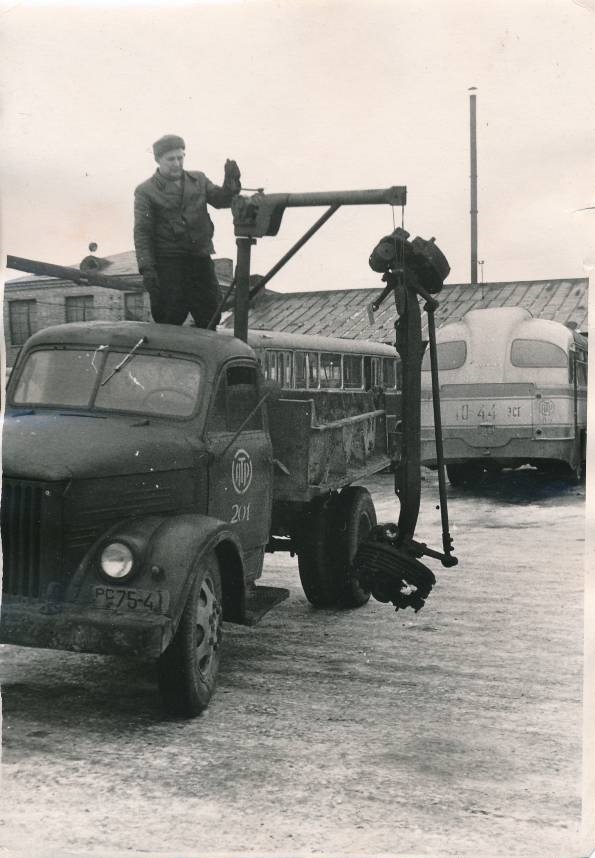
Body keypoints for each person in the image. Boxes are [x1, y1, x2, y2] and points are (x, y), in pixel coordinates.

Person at [134, 134, 241, 328]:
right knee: (169, 319)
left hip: (200, 261)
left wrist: (230, 186)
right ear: (158, 160)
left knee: (210, 315)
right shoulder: (146, 191)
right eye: (171, 159)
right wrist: (147, 267)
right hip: (169, 264)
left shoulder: (198, 180)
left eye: (180, 157)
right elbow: (142, 231)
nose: (177, 163)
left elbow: (221, 200)